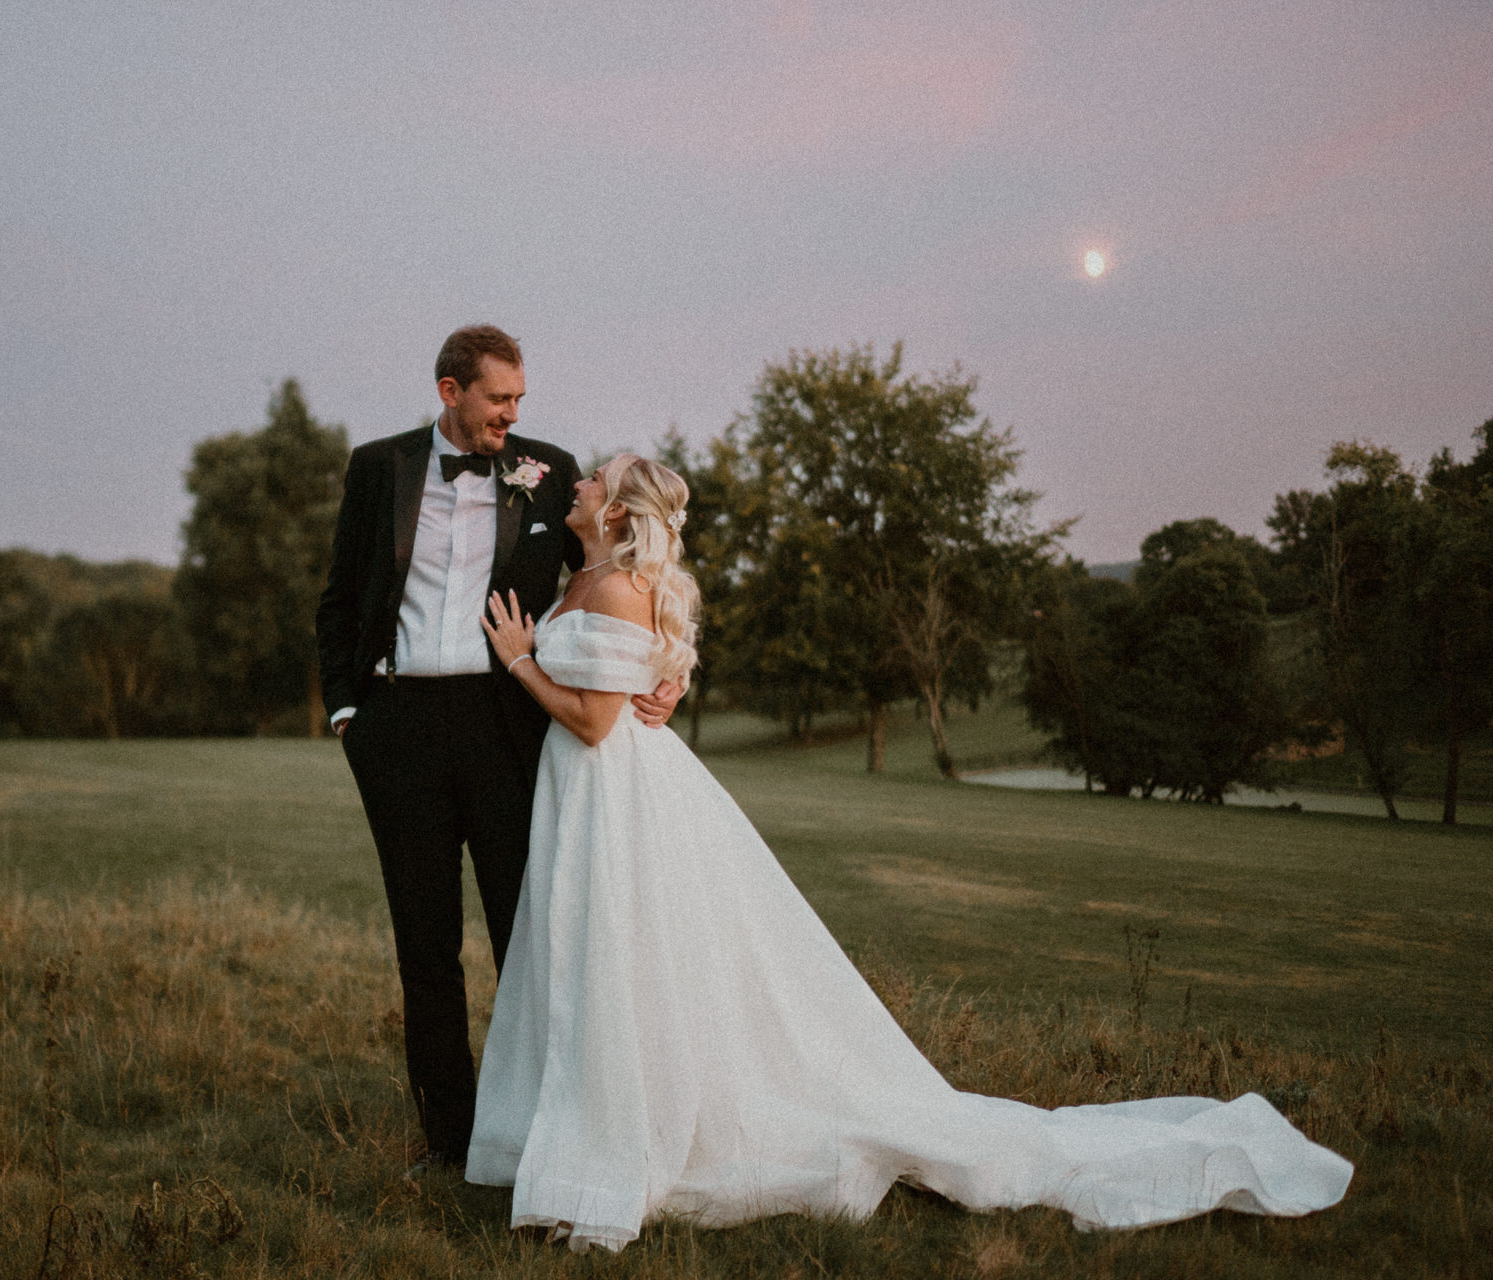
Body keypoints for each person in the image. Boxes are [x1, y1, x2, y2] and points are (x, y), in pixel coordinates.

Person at [466, 453, 1353, 1253]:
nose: (577, 482)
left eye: (595, 480)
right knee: (589, 960)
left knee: (621, 961)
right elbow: (644, 658)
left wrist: (519, 661)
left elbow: (593, 720)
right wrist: (671, 664)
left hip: (615, 796)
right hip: (588, 799)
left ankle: (621, 1144)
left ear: (618, 512)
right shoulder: (589, 576)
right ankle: (578, 1130)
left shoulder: (617, 590)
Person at [315, 327, 682, 1171]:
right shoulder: (379, 468)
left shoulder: (548, 471)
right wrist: (347, 714)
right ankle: (450, 1145)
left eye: (519, 399)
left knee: (531, 934)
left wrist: (672, 670)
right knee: (426, 946)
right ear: (451, 393)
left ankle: (549, 1132)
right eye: (498, 400)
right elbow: (339, 594)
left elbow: (636, 568)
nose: (513, 415)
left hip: (506, 727)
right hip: (396, 729)